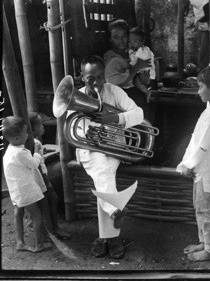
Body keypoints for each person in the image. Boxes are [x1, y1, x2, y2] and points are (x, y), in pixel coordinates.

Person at [74, 55, 144, 259]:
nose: (96, 83)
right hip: (89, 150)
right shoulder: (75, 96)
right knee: (103, 171)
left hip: (114, 149)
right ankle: (113, 224)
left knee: (103, 177)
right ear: (81, 76)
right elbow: (75, 128)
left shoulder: (115, 91)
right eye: (90, 78)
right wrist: (93, 130)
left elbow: (138, 114)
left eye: (99, 78)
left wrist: (116, 118)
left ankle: (106, 237)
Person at [176, 64, 210, 261]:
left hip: (208, 172)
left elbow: (203, 147)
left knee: (206, 209)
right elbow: (195, 140)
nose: (198, 91)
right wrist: (186, 163)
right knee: (200, 207)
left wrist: (188, 165)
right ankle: (205, 241)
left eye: (201, 87)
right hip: (202, 170)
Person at [2, 116, 52, 253]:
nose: (28, 135)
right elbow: (34, 164)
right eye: (25, 132)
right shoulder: (22, 153)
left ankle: (20, 243)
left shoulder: (9, 150)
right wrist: (36, 152)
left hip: (15, 190)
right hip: (26, 191)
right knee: (36, 214)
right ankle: (39, 243)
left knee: (18, 213)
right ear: (17, 138)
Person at [28, 112, 71, 240]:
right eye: (39, 125)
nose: (43, 127)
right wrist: (47, 182)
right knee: (52, 199)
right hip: (41, 179)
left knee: (44, 202)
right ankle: (54, 229)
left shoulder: (30, 143)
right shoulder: (36, 144)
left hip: (34, 179)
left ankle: (40, 225)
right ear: (31, 129)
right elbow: (39, 165)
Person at [103, 19, 154, 123]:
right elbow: (117, 83)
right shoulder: (110, 57)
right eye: (116, 37)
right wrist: (136, 68)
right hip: (123, 99)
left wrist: (146, 79)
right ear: (110, 39)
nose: (121, 41)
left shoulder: (134, 53)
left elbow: (145, 78)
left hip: (140, 95)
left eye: (124, 37)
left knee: (146, 124)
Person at [128, 27, 156, 100]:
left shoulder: (142, 51)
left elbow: (137, 63)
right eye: (130, 41)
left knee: (136, 82)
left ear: (142, 42)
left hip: (145, 72)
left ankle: (147, 92)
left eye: (134, 41)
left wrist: (130, 64)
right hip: (145, 71)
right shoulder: (142, 49)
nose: (131, 44)